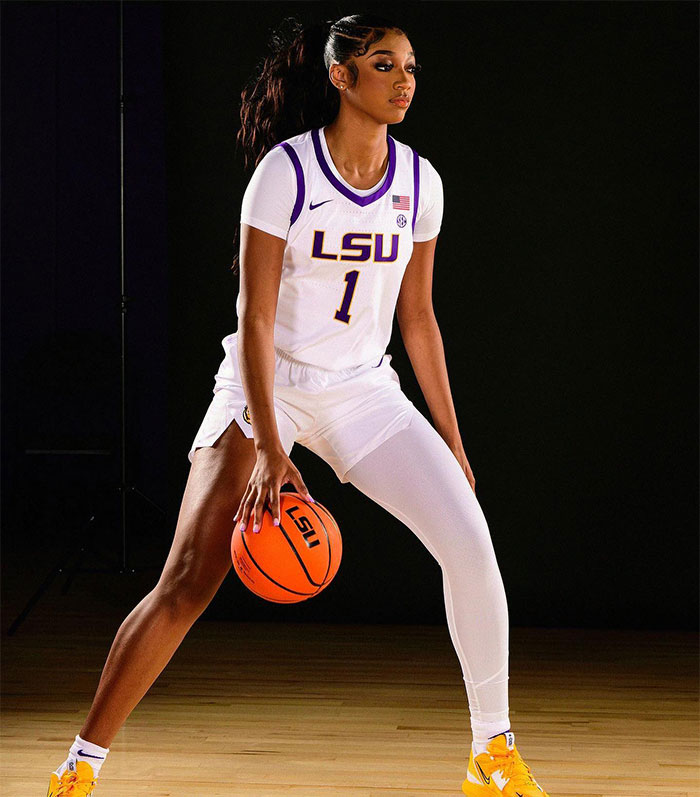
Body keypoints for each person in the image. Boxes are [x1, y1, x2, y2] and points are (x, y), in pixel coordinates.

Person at [47, 13, 550, 796]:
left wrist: (452, 440)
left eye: (411, 66)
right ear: (341, 77)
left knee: (471, 544)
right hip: (267, 387)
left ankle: (493, 752)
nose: (405, 79)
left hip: (362, 391)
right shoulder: (286, 173)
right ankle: (79, 764)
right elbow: (254, 315)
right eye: (384, 64)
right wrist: (270, 447)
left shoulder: (421, 182)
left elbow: (418, 317)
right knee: (188, 580)